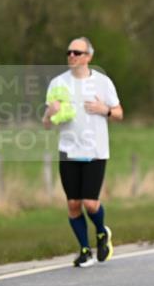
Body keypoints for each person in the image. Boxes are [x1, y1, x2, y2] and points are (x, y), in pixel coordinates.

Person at [43, 37, 122, 268]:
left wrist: (104, 109)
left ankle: (101, 231)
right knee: (73, 204)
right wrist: (50, 112)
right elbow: (46, 124)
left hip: (95, 150)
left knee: (90, 203)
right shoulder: (58, 83)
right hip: (68, 150)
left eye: (77, 53)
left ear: (88, 57)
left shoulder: (103, 82)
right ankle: (84, 250)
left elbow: (119, 113)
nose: (71, 56)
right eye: (69, 52)